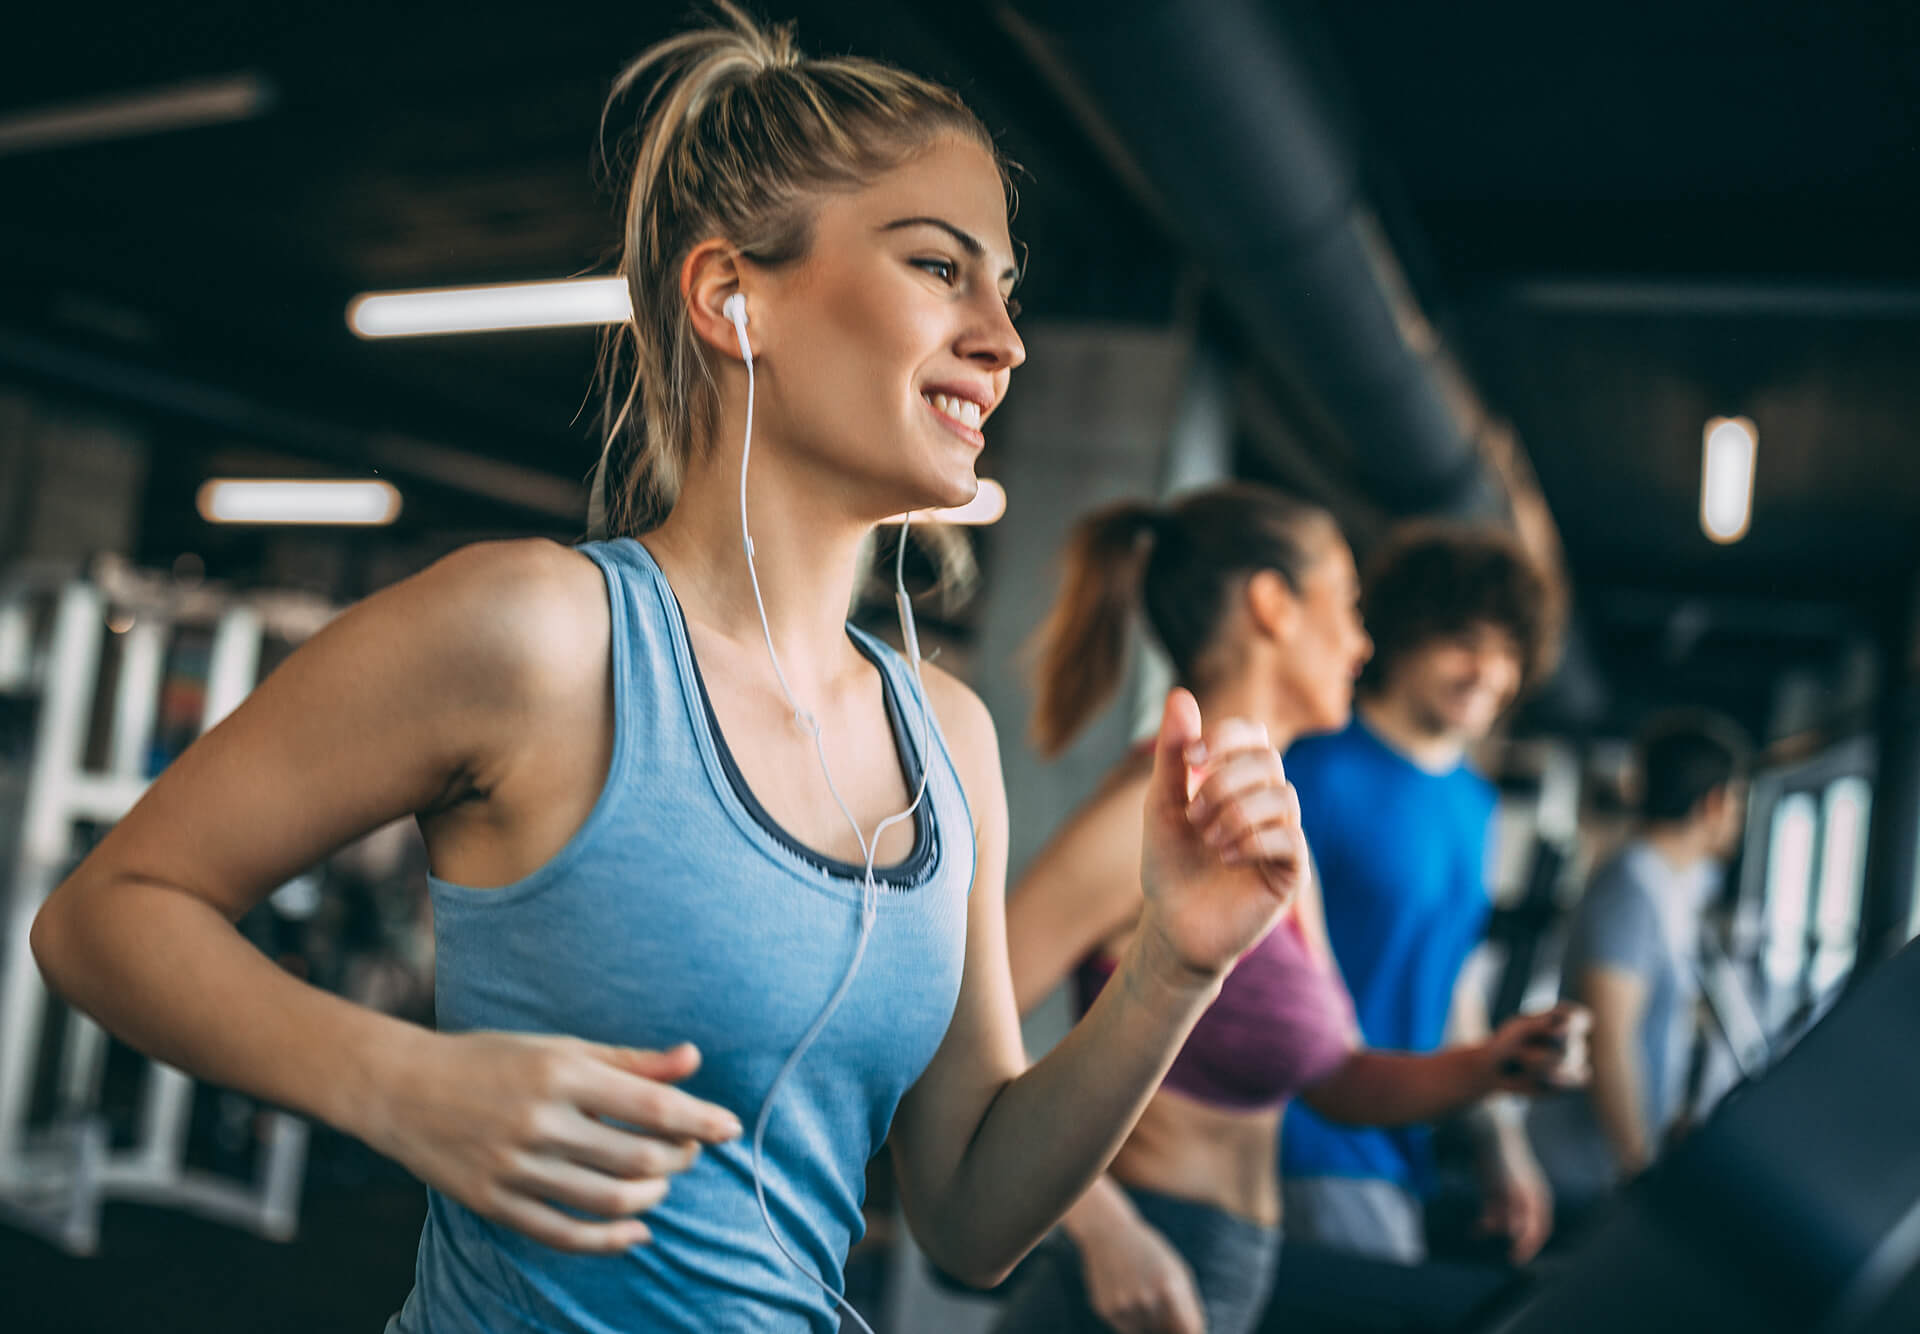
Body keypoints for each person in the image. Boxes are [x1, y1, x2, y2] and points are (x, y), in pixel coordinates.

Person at [27, 10, 1313, 1332]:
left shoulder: (950, 736)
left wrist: (1173, 968)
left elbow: (972, 1216)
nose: (1005, 338)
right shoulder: (540, 634)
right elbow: (106, 909)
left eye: (1008, 288)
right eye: (941, 268)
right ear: (732, 297)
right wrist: (398, 1082)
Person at [993, 487, 1586, 1334]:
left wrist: (1496, 1062)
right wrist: (1104, 1228)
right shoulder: (1157, 814)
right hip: (1136, 1274)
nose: (1362, 641)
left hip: (1231, 1267)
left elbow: (1338, 1079)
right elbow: (953, 1036)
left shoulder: (1274, 821)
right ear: (1273, 606)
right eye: (1346, 605)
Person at [1278, 522, 1561, 1266]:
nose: (1488, 672)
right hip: (1306, 1143)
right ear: (1401, 638)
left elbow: (1452, 983)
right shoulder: (1311, 770)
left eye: (1508, 653)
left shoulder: (1477, 805)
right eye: (1464, 642)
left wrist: (1501, 1144)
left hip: (1410, 1145)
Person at [1528, 712, 1749, 1216]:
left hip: (1613, 1166)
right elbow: (1610, 1040)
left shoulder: (1668, 886)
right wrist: (1638, 1169)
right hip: (1584, 1175)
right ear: (1714, 802)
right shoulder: (1631, 883)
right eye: (1738, 801)